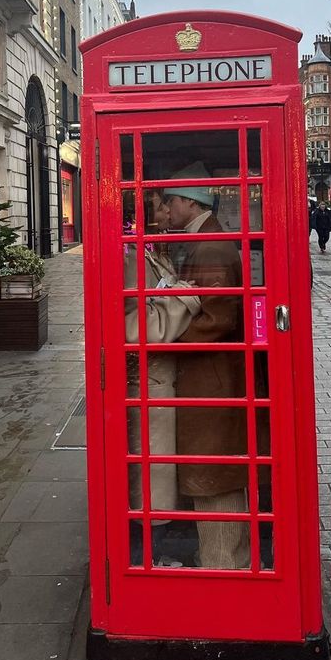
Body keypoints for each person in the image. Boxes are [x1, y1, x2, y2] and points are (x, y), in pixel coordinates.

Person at [164, 162, 249, 570]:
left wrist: (164, 340)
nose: (165, 210)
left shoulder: (211, 245)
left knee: (214, 472)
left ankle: (224, 568)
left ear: (188, 202)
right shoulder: (203, 239)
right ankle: (221, 560)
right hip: (211, 373)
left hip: (211, 376)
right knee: (213, 471)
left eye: (170, 202)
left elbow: (218, 316)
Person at [123, 191, 202, 564]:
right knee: (152, 477)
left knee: (163, 473)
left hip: (166, 381)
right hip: (149, 382)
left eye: (167, 203)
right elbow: (137, 327)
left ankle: (159, 544)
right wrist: (188, 298)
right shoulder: (131, 258)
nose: (167, 210)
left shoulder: (155, 253)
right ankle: (150, 552)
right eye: (159, 205)